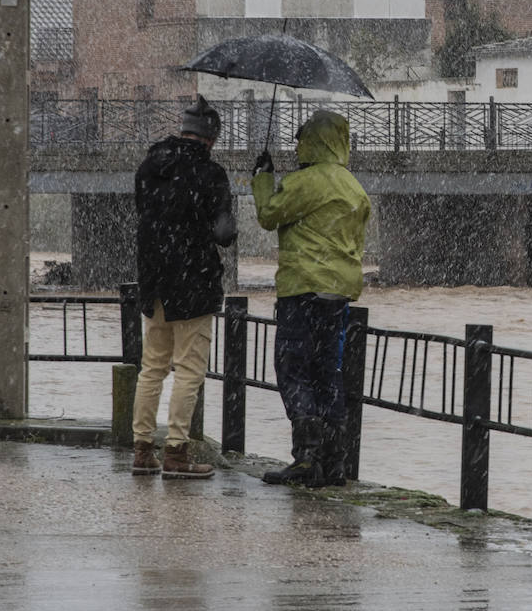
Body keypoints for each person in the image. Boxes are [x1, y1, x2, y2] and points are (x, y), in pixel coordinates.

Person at [252, 109, 371, 487]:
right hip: (338, 292)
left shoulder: (307, 181)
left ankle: (306, 456)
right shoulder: (354, 187)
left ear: (311, 141)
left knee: (293, 367)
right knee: (326, 372)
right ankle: (334, 461)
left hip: (302, 286)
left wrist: (263, 179)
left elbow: (270, 215)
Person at [131, 94, 237, 479]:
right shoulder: (211, 174)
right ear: (211, 138)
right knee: (189, 369)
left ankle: (142, 451)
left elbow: (145, 214)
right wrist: (225, 210)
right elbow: (224, 235)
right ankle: (176, 452)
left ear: (183, 130)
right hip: (194, 282)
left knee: (152, 368)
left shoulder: (150, 165)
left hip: (154, 280)